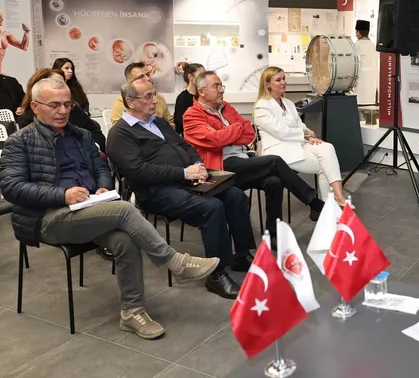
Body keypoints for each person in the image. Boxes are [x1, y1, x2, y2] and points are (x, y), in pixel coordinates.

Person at [0, 77, 219, 340]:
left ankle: (132, 312)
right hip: (48, 217)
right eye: (54, 105)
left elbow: (101, 168)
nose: (63, 111)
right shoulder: (20, 141)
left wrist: (103, 186)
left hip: (90, 208)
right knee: (124, 210)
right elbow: (12, 188)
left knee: (124, 239)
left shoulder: (80, 135)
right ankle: (175, 262)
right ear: (35, 106)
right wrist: (62, 195)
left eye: (68, 104)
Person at [106, 78, 255, 299]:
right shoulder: (120, 134)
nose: (155, 100)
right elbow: (140, 172)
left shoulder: (159, 123)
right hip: (155, 191)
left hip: (186, 179)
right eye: (148, 96)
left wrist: (197, 164)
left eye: (155, 94)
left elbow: (185, 145)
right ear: (130, 101)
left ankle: (241, 255)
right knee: (211, 207)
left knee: (234, 195)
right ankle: (217, 274)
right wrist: (184, 173)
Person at [182, 71, 327, 237]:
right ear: (201, 91)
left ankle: (273, 235)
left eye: (222, 86)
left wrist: (227, 133)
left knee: (274, 182)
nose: (221, 90)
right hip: (220, 167)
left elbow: (249, 133)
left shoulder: (226, 107)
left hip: (243, 159)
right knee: (274, 161)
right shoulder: (192, 115)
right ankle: (313, 202)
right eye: (216, 86)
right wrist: (237, 128)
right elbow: (216, 141)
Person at [253, 66, 351, 209]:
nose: (283, 82)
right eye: (278, 80)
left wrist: (309, 137)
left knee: (327, 147)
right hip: (279, 152)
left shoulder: (288, 103)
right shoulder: (262, 107)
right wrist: (305, 134)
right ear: (268, 84)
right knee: (325, 167)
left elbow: (299, 124)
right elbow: (281, 132)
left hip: (297, 144)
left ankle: (337, 197)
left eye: (284, 78)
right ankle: (328, 206)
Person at [16, 68, 106, 152]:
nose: (63, 111)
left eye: (63, 84)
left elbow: (96, 134)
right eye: (54, 105)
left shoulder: (75, 110)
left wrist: (91, 148)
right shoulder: (24, 127)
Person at [110, 62, 175, 127]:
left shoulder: (159, 98)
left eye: (148, 74)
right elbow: (120, 130)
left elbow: (169, 122)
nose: (147, 78)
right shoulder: (121, 103)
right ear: (130, 82)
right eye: (141, 77)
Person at [353, 20, 378, 109]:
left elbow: (354, 65)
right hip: (372, 82)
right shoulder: (374, 46)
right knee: (369, 106)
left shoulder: (356, 45)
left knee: (360, 106)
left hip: (361, 82)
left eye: (356, 32)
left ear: (358, 32)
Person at [174, 63, 204, 135]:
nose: (204, 79)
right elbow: (179, 124)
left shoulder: (204, 96)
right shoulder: (182, 98)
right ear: (190, 77)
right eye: (201, 76)